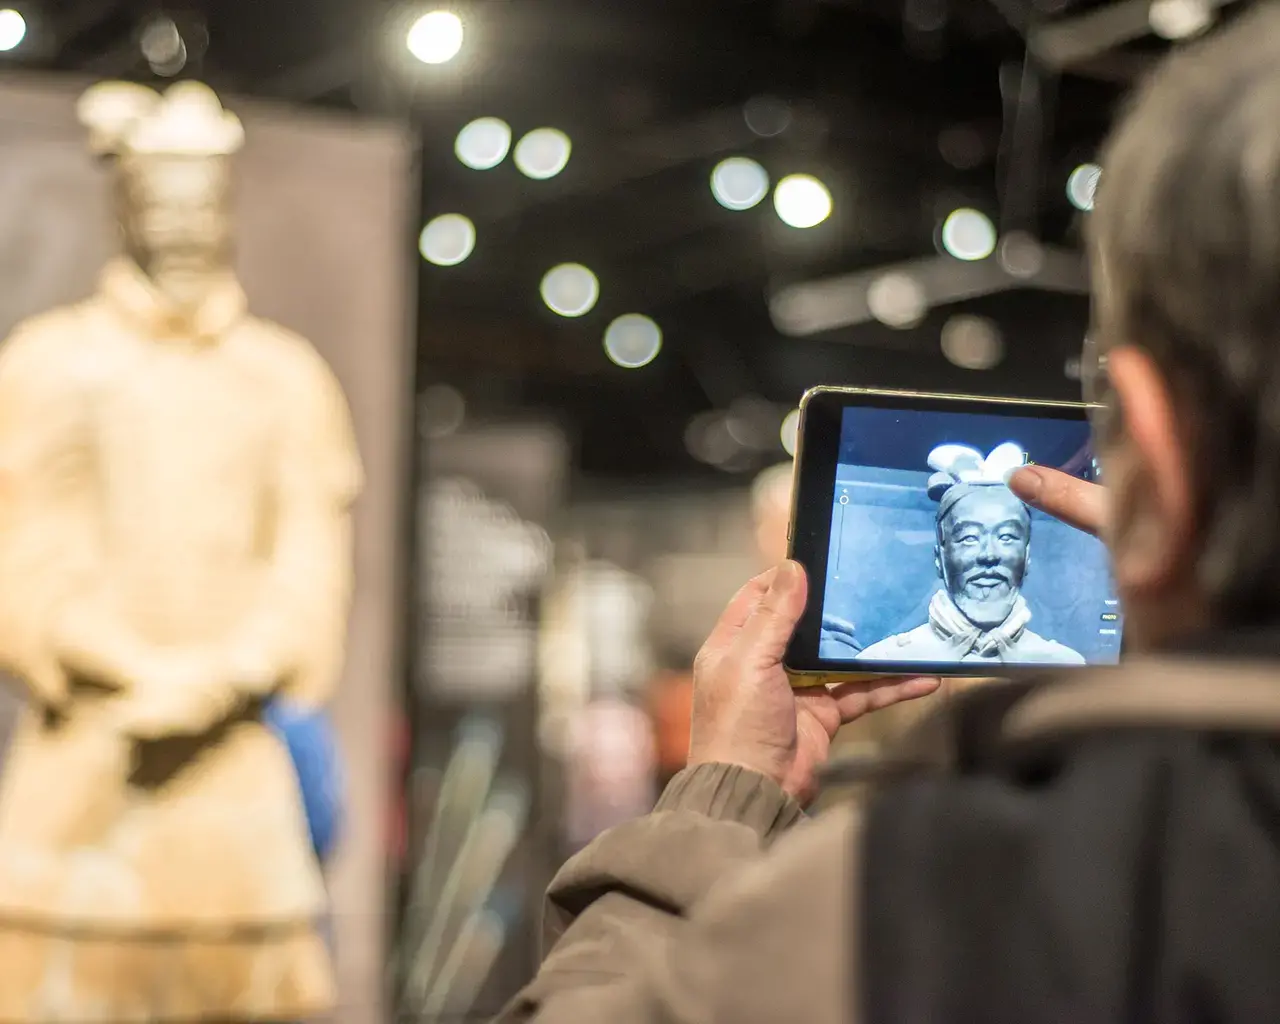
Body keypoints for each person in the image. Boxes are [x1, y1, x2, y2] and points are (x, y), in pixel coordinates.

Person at [494, 7, 1280, 1022]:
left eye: (1009, 533)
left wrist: (723, 790)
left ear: (1154, 463)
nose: (994, 554)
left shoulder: (912, 908)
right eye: (975, 537)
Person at [860, 442, 1084, 665]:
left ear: (1027, 556)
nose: (988, 555)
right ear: (939, 558)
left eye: (1006, 536)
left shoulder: (1065, 668)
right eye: (969, 538)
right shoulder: (883, 661)